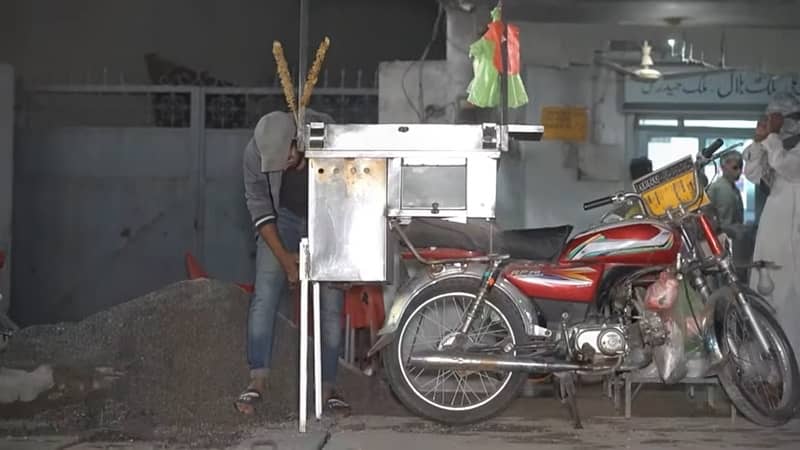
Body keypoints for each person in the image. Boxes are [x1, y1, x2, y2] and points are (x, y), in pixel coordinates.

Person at [236, 109, 350, 415]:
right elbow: (260, 209)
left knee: (331, 303)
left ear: (296, 142)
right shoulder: (254, 152)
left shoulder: (328, 136)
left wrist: (340, 254)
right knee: (265, 294)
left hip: (327, 215)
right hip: (280, 217)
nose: (280, 166)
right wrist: (286, 261)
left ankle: (327, 388)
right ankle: (257, 379)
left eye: (285, 158)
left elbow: (349, 197)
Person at [742, 92, 800, 364]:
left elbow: (784, 165)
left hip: (793, 246)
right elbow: (753, 173)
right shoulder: (775, 146)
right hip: (771, 241)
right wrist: (758, 140)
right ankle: (773, 374)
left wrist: (773, 137)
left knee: (791, 310)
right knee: (768, 304)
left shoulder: (791, 153)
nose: (775, 125)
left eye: (780, 119)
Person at [707, 150, 745, 228]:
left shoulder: (734, 189)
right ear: (723, 167)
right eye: (735, 168)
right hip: (720, 236)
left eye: (741, 168)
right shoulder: (717, 188)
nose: (739, 172)